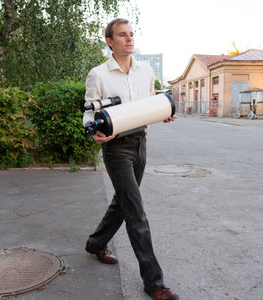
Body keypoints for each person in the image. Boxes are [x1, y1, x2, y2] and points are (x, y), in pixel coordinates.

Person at [82, 18, 179, 300]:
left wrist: (164, 111)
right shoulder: (98, 74)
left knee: (123, 202)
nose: (129, 39)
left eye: (131, 34)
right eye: (122, 35)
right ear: (110, 42)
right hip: (115, 148)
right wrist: (93, 134)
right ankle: (154, 283)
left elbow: (150, 103)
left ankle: (96, 242)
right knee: (136, 212)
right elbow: (90, 113)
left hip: (141, 143)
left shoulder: (145, 70)